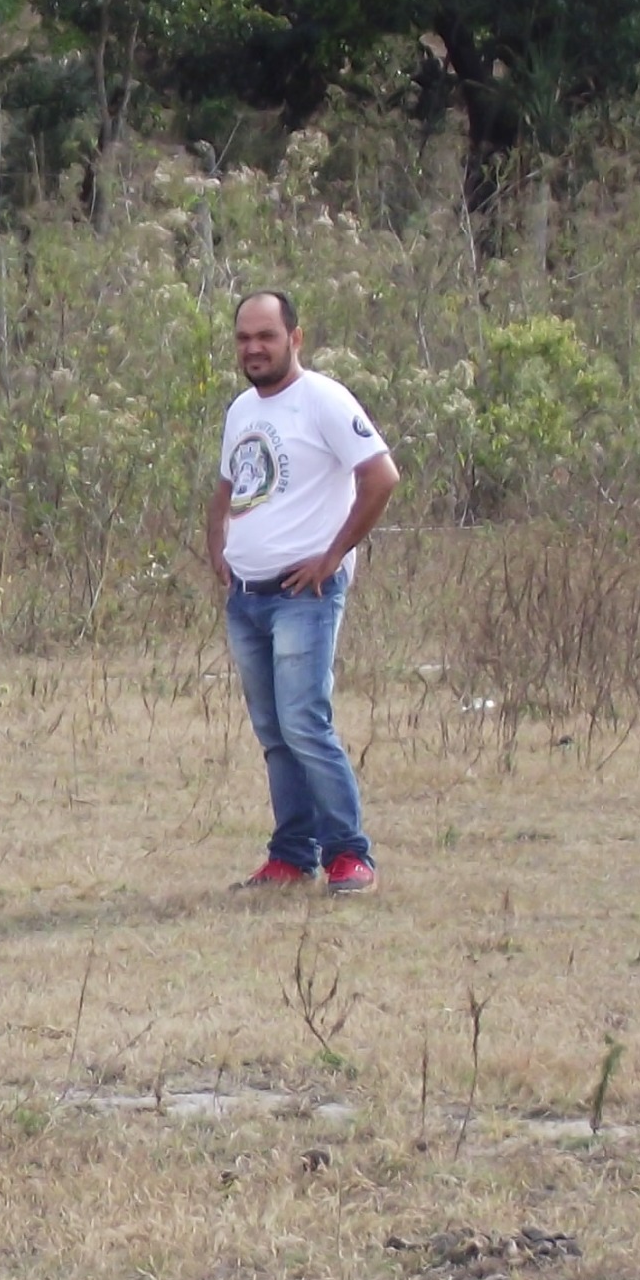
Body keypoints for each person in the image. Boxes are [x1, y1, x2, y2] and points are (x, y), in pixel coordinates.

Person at [204, 289, 398, 895]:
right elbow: (231, 484)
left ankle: (349, 853)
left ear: (295, 337)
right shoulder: (242, 409)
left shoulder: (323, 399)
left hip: (303, 595)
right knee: (274, 732)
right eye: (243, 338)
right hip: (249, 597)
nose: (254, 348)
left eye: (266, 335)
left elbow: (380, 476)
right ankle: (291, 856)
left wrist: (333, 554)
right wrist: (220, 548)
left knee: (305, 723)